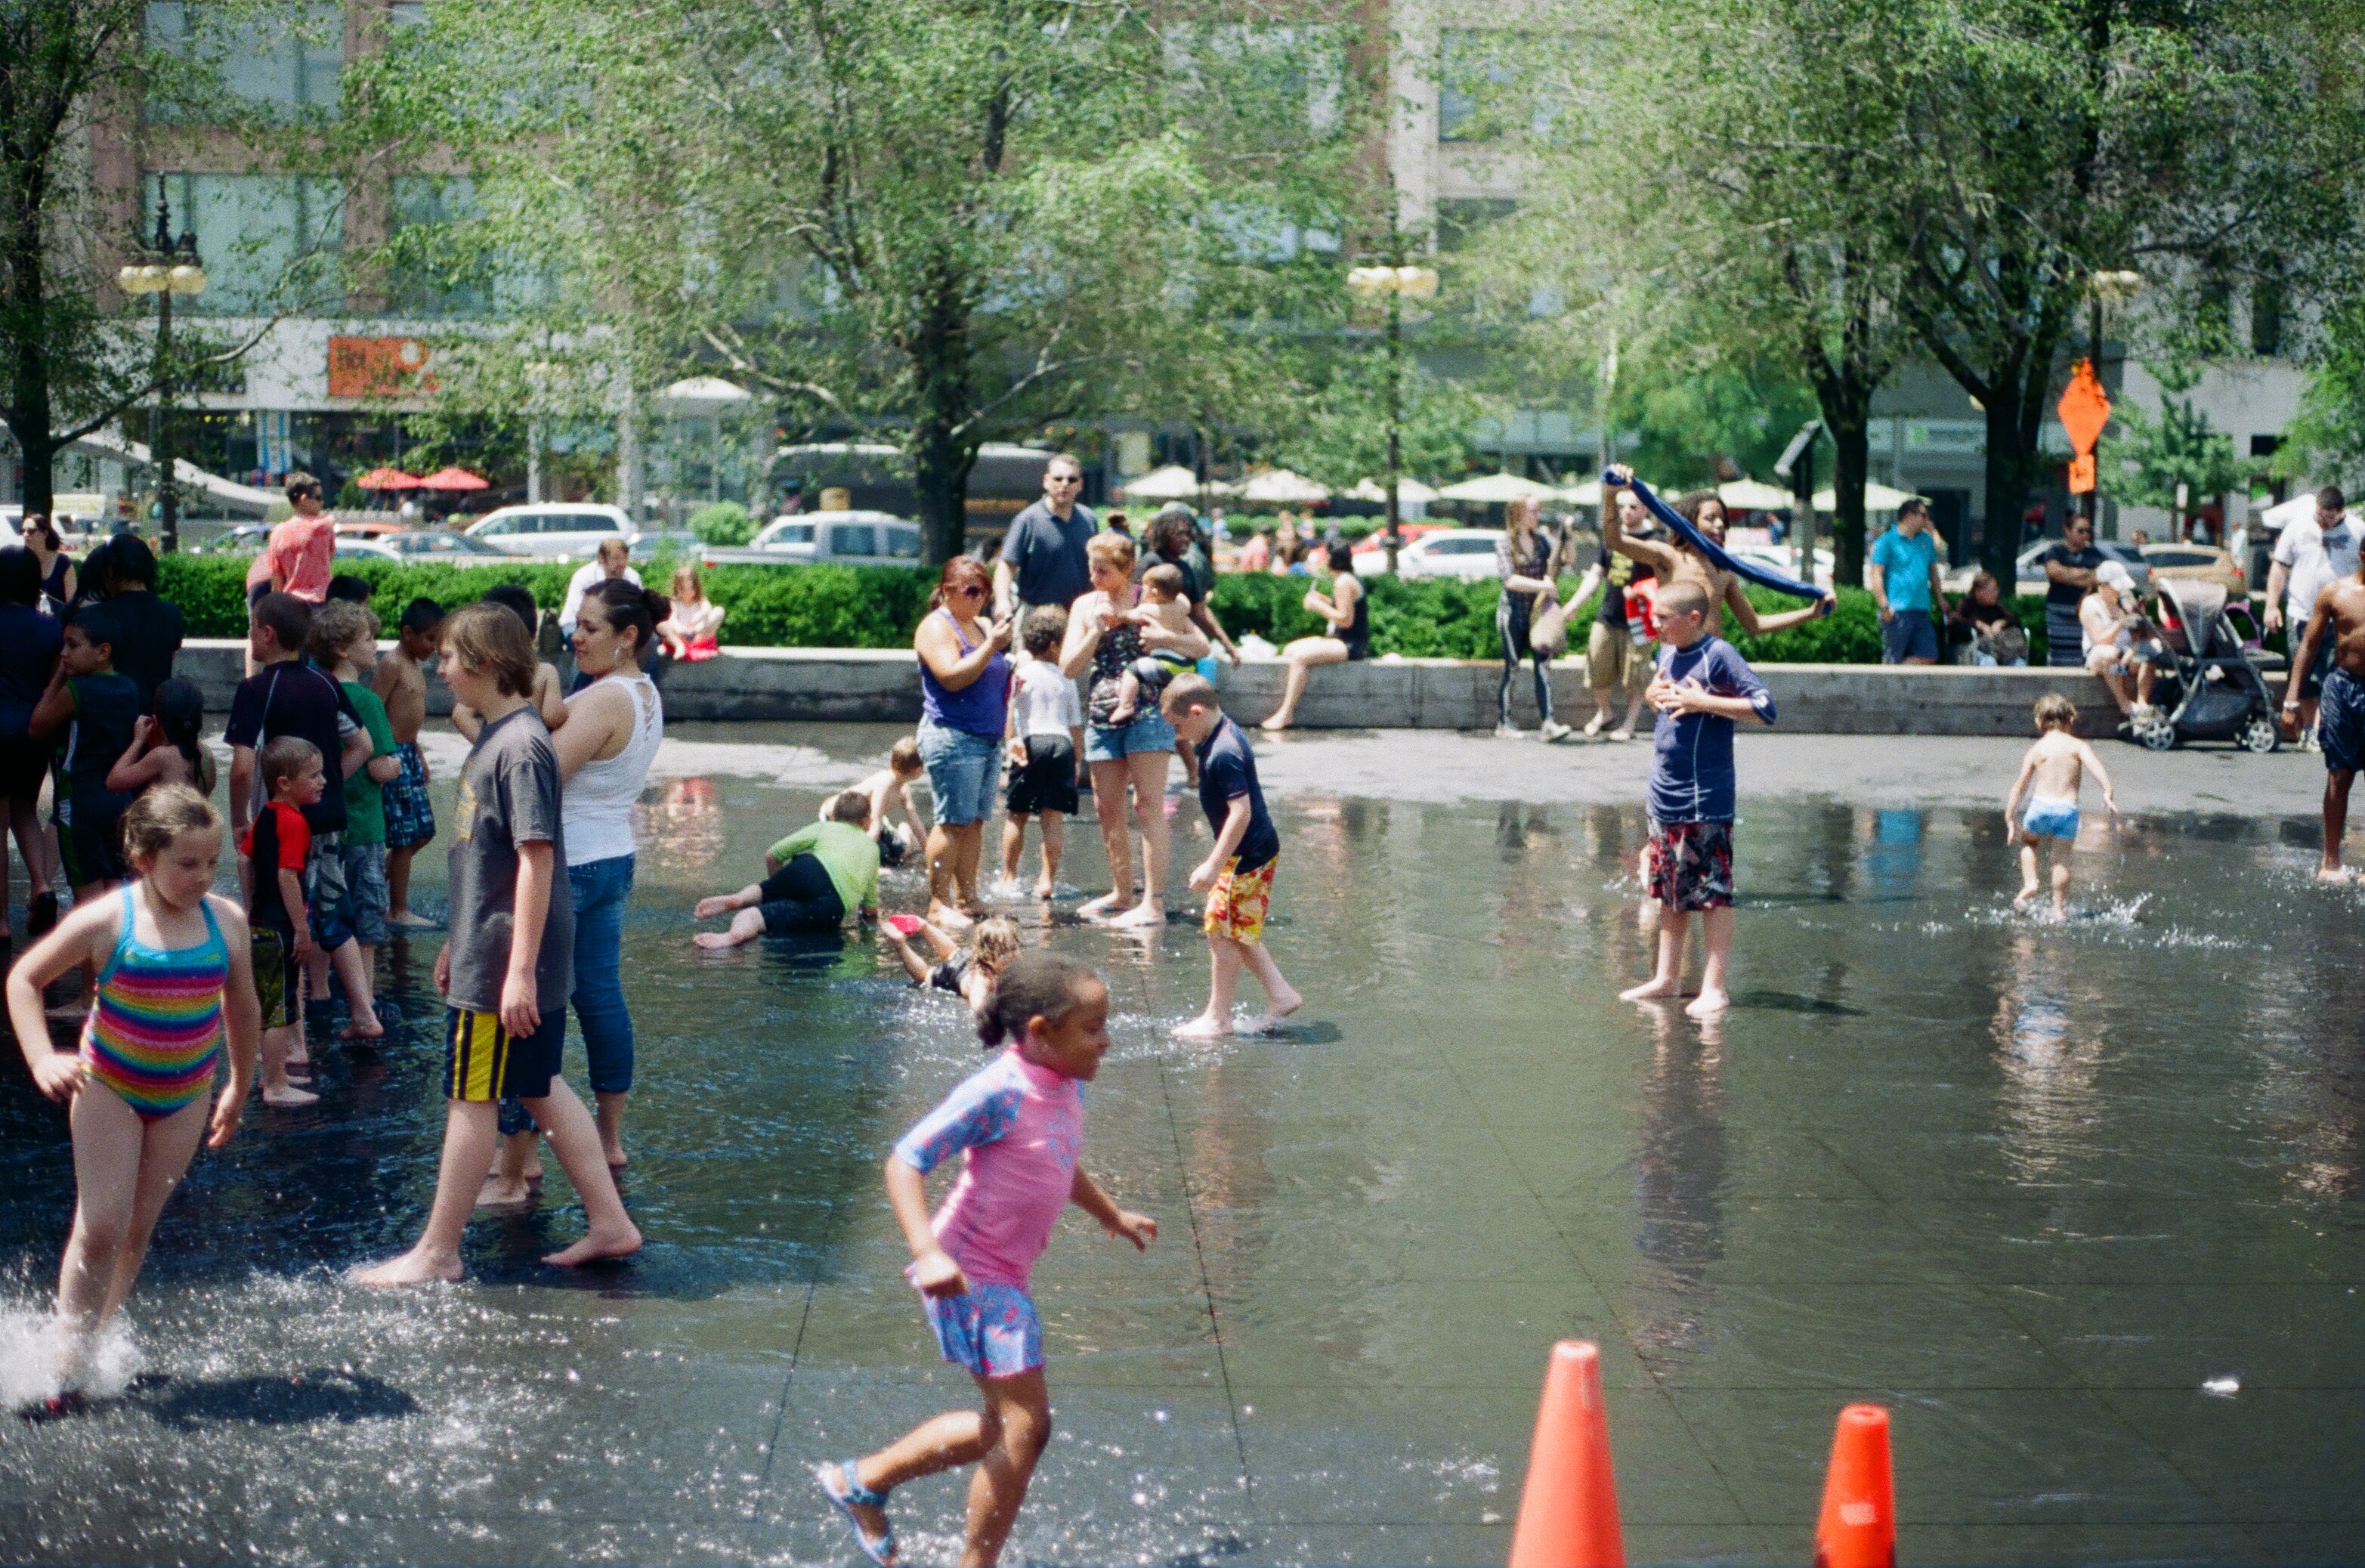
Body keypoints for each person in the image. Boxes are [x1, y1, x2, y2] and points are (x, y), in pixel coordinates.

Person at [815, 951, 1155, 1568]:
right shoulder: (998, 1090)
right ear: (1041, 1033)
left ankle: (862, 1480)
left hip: (1000, 1275)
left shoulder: (1064, 1082)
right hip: (969, 1274)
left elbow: (1058, 1157)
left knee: (1006, 1427)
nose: (1106, 1040)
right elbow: (905, 1160)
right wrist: (927, 1252)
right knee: (1028, 1425)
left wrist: (1109, 1214)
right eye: (1093, 1028)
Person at [354, 603, 641, 1285]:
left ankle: (438, 1251)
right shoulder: (506, 737)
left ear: (483, 663)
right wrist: (459, 941)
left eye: (450, 658)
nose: (441, 670)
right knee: (537, 1086)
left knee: (470, 1094)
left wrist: (516, 972)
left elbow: (536, 859)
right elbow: (485, 861)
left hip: (505, 955)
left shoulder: (519, 747)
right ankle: (611, 1221)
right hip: (494, 945)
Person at [4, 784, 259, 1403]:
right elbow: (24, 979)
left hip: (186, 1091)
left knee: (138, 1226)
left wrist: (240, 1085)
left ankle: (98, 1336)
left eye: (212, 862)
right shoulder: (108, 919)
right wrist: (41, 1056)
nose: (203, 876)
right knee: (101, 1225)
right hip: (109, 1084)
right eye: (186, 863)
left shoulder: (225, 920)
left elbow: (243, 1005)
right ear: (144, 858)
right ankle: (66, 1363)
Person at [486, 576, 669, 1192]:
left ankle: (521, 1158)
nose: (576, 637)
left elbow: (536, 775)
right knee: (600, 995)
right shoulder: (644, 692)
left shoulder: (603, 699)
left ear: (628, 636)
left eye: (591, 627)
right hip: (612, 856)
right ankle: (609, 1140)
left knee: (533, 1006)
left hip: (570, 866)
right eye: (577, 625)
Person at [1615, 580, 1777, 1019]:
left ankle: (1715, 988)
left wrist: (1702, 700)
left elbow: (1765, 707)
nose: (1654, 623)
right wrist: (1652, 697)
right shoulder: (1669, 651)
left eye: (1663, 617)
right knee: (1671, 890)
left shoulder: (1719, 655)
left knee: (1712, 893)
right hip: (1664, 795)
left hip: (1705, 797)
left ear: (1693, 619)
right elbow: (1661, 696)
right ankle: (1667, 977)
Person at [225, 593, 370, 1045]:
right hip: (326, 820)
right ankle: (363, 1011)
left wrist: (239, 819)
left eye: (252, 629)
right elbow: (363, 745)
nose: (250, 637)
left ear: (267, 634)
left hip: (280, 822)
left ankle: (291, 1038)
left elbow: (243, 768)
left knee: (280, 918)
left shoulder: (256, 690)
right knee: (331, 910)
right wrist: (325, 788)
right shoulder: (326, 683)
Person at [1061, 530, 1206, 925]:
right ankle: (1122, 893)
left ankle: (1153, 902)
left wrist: (1165, 637)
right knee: (1106, 807)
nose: (1094, 577)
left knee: (1147, 805)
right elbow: (1069, 668)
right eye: (1091, 568)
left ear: (1127, 569)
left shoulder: (1155, 599)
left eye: (1103, 571)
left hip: (1150, 712)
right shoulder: (1085, 605)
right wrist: (1094, 631)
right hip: (1102, 712)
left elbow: (1201, 646)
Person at [1163, 674, 1303, 1038]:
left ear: (1196, 712)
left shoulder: (1223, 751)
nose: (1177, 735)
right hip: (1252, 850)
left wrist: (1213, 863)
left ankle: (1220, 1017)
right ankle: (1279, 994)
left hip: (1247, 854)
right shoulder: (1217, 735)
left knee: (1222, 927)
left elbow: (1241, 813)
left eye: (1178, 726)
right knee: (1231, 928)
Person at [310, 601, 399, 1041]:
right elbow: (380, 768)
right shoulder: (366, 701)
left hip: (324, 824)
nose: (376, 646)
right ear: (344, 649)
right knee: (365, 920)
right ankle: (364, 1002)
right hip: (363, 826)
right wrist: (396, 766)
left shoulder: (316, 691)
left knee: (324, 910)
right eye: (369, 639)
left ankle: (320, 993)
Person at [1603, 475, 1832, 642]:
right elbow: (1615, 542)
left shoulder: (1724, 570)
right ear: (1690, 523)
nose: (1720, 524)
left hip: (1712, 665)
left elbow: (1755, 625)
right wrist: (1610, 495)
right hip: (1676, 664)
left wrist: (1811, 613)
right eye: (1711, 519)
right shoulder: (1668, 557)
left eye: (1723, 520)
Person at [915, 556, 1013, 929]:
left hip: (986, 740)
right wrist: (992, 648)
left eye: (984, 592)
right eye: (972, 591)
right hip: (953, 736)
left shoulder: (982, 625)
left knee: (973, 823)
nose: (979, 599)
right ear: (947, 590)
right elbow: (952, 677)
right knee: (952, 822)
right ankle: (938, 903)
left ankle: (967, 898)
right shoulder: (936, 627)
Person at [28, 605, 141, 899]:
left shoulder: (76, 691)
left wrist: (58, 677)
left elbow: (37, 727)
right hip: (120, 798)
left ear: (103, 651)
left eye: (73, 645)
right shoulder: (129, 688)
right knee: (117, 893)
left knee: (87, 898)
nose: (64, 653)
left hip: (79, 800)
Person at [240, 737, 325, 1106]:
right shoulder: (294, 822)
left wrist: (250, 906)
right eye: (314, 775)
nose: (323, 781)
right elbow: (287, 877)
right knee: (278, 1009)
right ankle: (274, 1084)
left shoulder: (266, 815)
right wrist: (302, 931)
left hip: (262, 922)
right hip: (281, 929)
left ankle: (273, 1073)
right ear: (284, 784)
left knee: (273, 1002)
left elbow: (244, 860)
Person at [691, 788, 881, 946]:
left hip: (808, 868)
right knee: (755, 917)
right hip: (833, 904)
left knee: (766, 889)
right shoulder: (873, 849)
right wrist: (869, 914)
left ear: (834, 816)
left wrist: (779, 889)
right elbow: (870, 908)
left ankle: (739, 898)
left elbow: (773, 854)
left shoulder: (824, 828)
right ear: (867, 820)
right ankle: (731, 936)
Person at [2283, 549, 2365, 878]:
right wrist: (2292, 700)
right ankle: (2331, 861)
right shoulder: (2336, 592)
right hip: (2343, 687)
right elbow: (2308, 645)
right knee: (2339, 775)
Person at [2005, 692, 2119, 915]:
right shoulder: (2078, 746)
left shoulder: (2036, 749)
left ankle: (2030, 883)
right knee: (2061, 860)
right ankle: (2059, 909)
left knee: (2029, 842)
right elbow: (2096, 768)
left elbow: (2019, 787)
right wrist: (2107, 792)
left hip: (2040, 807)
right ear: (2070, 720)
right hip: (2067, 810)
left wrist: (2010, 818)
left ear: (2039, 722)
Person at [0, 545, 63, 934]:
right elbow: (53, 684)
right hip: (33, 733)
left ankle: (1, 920)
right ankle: (42, 884)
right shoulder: (49, 628)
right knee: (24, 810)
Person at [1000, 608, 1084, 899]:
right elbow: (1075, 725)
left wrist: (1010, 741)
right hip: (1061, 744)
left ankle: (1009, 878)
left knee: (1017, 814)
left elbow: (1009, 709)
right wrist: (1077, 760)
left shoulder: (1021, 675)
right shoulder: (1067, 677)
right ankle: (1046, 881)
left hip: (1032, 742)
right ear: (1054, 645)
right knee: (1053, 817)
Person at [2266, 486, 2356, 746]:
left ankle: (2323, 729)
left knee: (2333, 676)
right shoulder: (2297, 527)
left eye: (2329, 518)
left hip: (2341, 618)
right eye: (2319, 515)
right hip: (2302, 613)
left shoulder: (2357, 531)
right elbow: (2280, 567)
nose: (2323, 522)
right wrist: (2271, 605)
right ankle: (2309, 729)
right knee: (2303, 674)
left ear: (2341, 512)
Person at [375, 598, 444, 927]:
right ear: (407, 633)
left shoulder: (414, 664)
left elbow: (410, 719)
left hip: (409, 754)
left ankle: (375, 880)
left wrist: (419, 756)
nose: (435, 647)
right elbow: (374, 709)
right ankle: (397, 909)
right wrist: (379, 755)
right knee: (404, 836)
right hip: (392, 755)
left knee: (423, 832)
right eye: (430, 639)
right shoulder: (393, 663)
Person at [1572, 487, 1656, 738]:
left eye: (1633, 507)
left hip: (1639, 620)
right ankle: (1604, 712)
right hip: (1608, 615)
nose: (1626, 512)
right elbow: (1596, 573)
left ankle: (1629, 725)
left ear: (1645, 510)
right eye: (1622, 507)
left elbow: (1663, 580)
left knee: (1636, 676)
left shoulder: (1655, 542)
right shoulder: (1612, 538)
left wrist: (1640, 591)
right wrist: (1574, 603)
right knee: (1596, 667)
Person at [1257, 541, 1365, 733]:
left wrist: (1318, 606)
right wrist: (1322, 599)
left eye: (1327, 556)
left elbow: (1346, 620)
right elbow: (1342, 606)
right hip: (1339, 639)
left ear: (1333, 559)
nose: (1324, 560)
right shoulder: (1345, 579)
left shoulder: (1343, 582)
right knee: (1290, 650)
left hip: (1349, 643)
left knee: (1300, 658)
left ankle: (1286, 712)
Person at [1494, 496, 1570, 739]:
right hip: (1513, 613)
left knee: (1543, 666)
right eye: (1533, 511)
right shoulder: (1505, 543)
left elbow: (1567, 559)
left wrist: (1568, 536)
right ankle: (1504, 723)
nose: (1538, 516)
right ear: (1519, 513)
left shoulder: (1542, 541)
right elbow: (1510, 580)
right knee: (1513, 666)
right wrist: (1543, 586)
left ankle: (1548, 723)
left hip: (1538, 615)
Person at [991, 453, 1095, 623]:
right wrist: (1002, 601)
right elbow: (1006, 565)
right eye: (1058, 479)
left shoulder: (1089, 519)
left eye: (1072, 480)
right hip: (1037, 614)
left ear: (1080, 484)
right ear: (1046, 481)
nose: (1065, 484)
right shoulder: (1028, 520)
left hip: (1080, 615)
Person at [455, 584, 567, 736]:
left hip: (498, 744)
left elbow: (461, 715)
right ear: (533, 637)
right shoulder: (545, 671)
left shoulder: (487, 672)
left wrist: (488, 745)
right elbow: (553, 716)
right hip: (529, 744)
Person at [87, 534, 182, 705]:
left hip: (113, 711)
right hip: (156, 714)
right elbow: (169, 658)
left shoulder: (99, 615)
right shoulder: (172, 614)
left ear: (110, 570)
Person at [882, 912, 1024, 1017]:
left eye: (1013, 949)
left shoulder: (1005, 964)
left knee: (953, 952)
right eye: (1003, 953)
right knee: (925, 975)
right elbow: (977, 1007)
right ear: (986, 956)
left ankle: (924, 926)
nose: (1011, 956)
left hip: (967, 958)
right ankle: (900, 944)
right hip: (954, 974)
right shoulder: (982, 979)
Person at [1107, 564, 1198, 725]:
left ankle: (1125, 706)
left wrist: (1116, 615)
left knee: (1132, 671)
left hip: (1166, 663)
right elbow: (1182, 599)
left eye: (1145, 587)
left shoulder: (1149, 610)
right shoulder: (1183, 606)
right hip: (1187, 664)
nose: (1142, 591)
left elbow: (1129, 616)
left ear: (1154, 593)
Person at [105, 678, 215, 799]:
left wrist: (138, 740)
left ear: (156, 721)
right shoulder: (207, 754)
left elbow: (113, 783)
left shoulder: (162, 756)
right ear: (201, 718)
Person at [1869, 498, 1948, 665]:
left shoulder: (1926, 540)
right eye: (1924, 515)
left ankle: (1897, 673)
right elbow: (1875, 574)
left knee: (1929, 655)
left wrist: (1940, 598)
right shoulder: (1886, 541)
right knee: (1892, 658)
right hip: (1897, 610)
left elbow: (1933, 572)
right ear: (1909, 515)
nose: (1927, 520)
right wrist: (1884, 605)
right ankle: (1890, 678)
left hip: (1921, 609)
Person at [2079, 562, 2160, 719]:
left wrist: (2139, 617)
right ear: (2103, 585)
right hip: (2100, 657)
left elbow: (2140, 635)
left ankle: (2142, 701)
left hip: (2126, 656)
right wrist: (2121, 622)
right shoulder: (2090, 604)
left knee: (2152, 648)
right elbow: (2100, 640)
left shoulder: (2125, 599)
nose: (2119, 590)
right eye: (2115, 587)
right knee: (2110, 653)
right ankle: (2124, 703)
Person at [846, 736, 926, 870]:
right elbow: (875, 823)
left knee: (902, 852)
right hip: (845, 819)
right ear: (917, 770)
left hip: (868, 825)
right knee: (882, 859)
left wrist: (928, 850)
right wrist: (857, 860)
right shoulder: (884, 784)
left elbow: (915, 821)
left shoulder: (903, 787)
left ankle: (904, 830)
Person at [2039, 515, 2107, 668]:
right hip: (2058, 612)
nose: (2085, 535)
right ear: (2067, 529)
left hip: (2084, 613)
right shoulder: (2056, 551)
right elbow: (2055, 573)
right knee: (2059, 655)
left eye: (2088, 531)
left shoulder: (2094, 553)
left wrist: (2068, 575)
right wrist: (2085, 572)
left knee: (2081, 653)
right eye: (2080, 531)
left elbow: (2099, 577)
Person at [558, 537, 641, 639]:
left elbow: (639, 609)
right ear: (601, 558)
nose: (622, 563)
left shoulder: (633, 577)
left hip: (618, 628)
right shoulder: (584, 576)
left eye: (625, 558)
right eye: (616, 558)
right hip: (576, 625)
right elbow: (580, 612)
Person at [1948, 571, 2027, 665]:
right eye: (1993, 590)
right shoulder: (1966, 605)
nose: (1996, 593)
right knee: (1989, 662)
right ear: (1979, 592)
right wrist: (1978, 625)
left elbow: (2015, 620)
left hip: (1996, 650)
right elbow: (1955, 622)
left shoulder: (1995, 607)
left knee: (2019, 663)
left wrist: (2001, 623)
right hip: (1972, 650)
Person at [659, 564, 725, 661]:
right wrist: (679, 628)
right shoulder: (675, 602)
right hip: (682, 636)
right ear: (676, 588)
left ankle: (694, 646)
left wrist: (700, 617)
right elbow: (673, 618)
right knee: (661, 625)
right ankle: (680, 646)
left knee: (719, 611)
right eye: (683, 589)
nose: (687, 592)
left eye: (691, 588)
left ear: (696, 587)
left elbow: (707, 609)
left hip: (699, 635)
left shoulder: (700, 599)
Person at [24, 513, 75, 614]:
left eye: (30, 531)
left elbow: (72, 604)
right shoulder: (22, 562)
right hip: (30, 620)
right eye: (23, 531)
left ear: (44, 533)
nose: (25, 535)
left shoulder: (63, 563)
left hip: (57, 620)